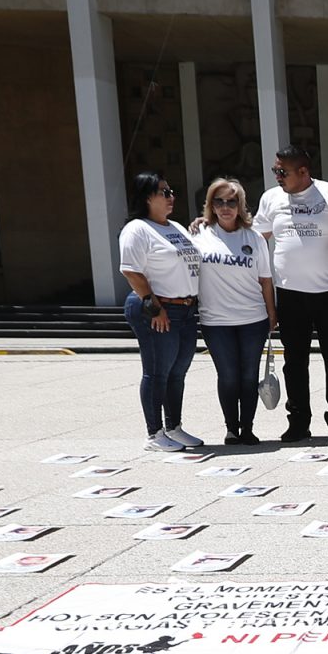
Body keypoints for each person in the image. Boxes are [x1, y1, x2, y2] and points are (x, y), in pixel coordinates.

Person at [254, 145, 328, 444]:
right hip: (290, 293)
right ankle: (298, 421)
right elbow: (254, 235)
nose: (277, 177)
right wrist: (210, 225)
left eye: (283, 172)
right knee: (294, 361)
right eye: (275, 171)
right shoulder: (271, 198)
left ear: (304, 172)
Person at [189, 176, 275, 447]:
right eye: (219, 201)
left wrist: (272, 314)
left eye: (231, 201)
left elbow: (265, 280)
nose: (226, 207)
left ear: (241, 205)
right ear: (211, 205)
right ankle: (231, 429)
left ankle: (247, 428)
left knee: (249, 376)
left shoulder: (254, 238)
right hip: (216, 321)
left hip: (253, 319)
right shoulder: (198, 234)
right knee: (227, 376)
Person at [119, 171, 203, 450]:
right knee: (157, 372)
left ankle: (174, 427)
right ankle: (154, 433)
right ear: (147, 198)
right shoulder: (137, 229)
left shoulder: (175, 227)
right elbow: (132, 272)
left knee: (177, 371)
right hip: (158, 307)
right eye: (164, 193)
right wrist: (155, 309)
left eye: (171, 191)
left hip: (186, 309)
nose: (171, 197)